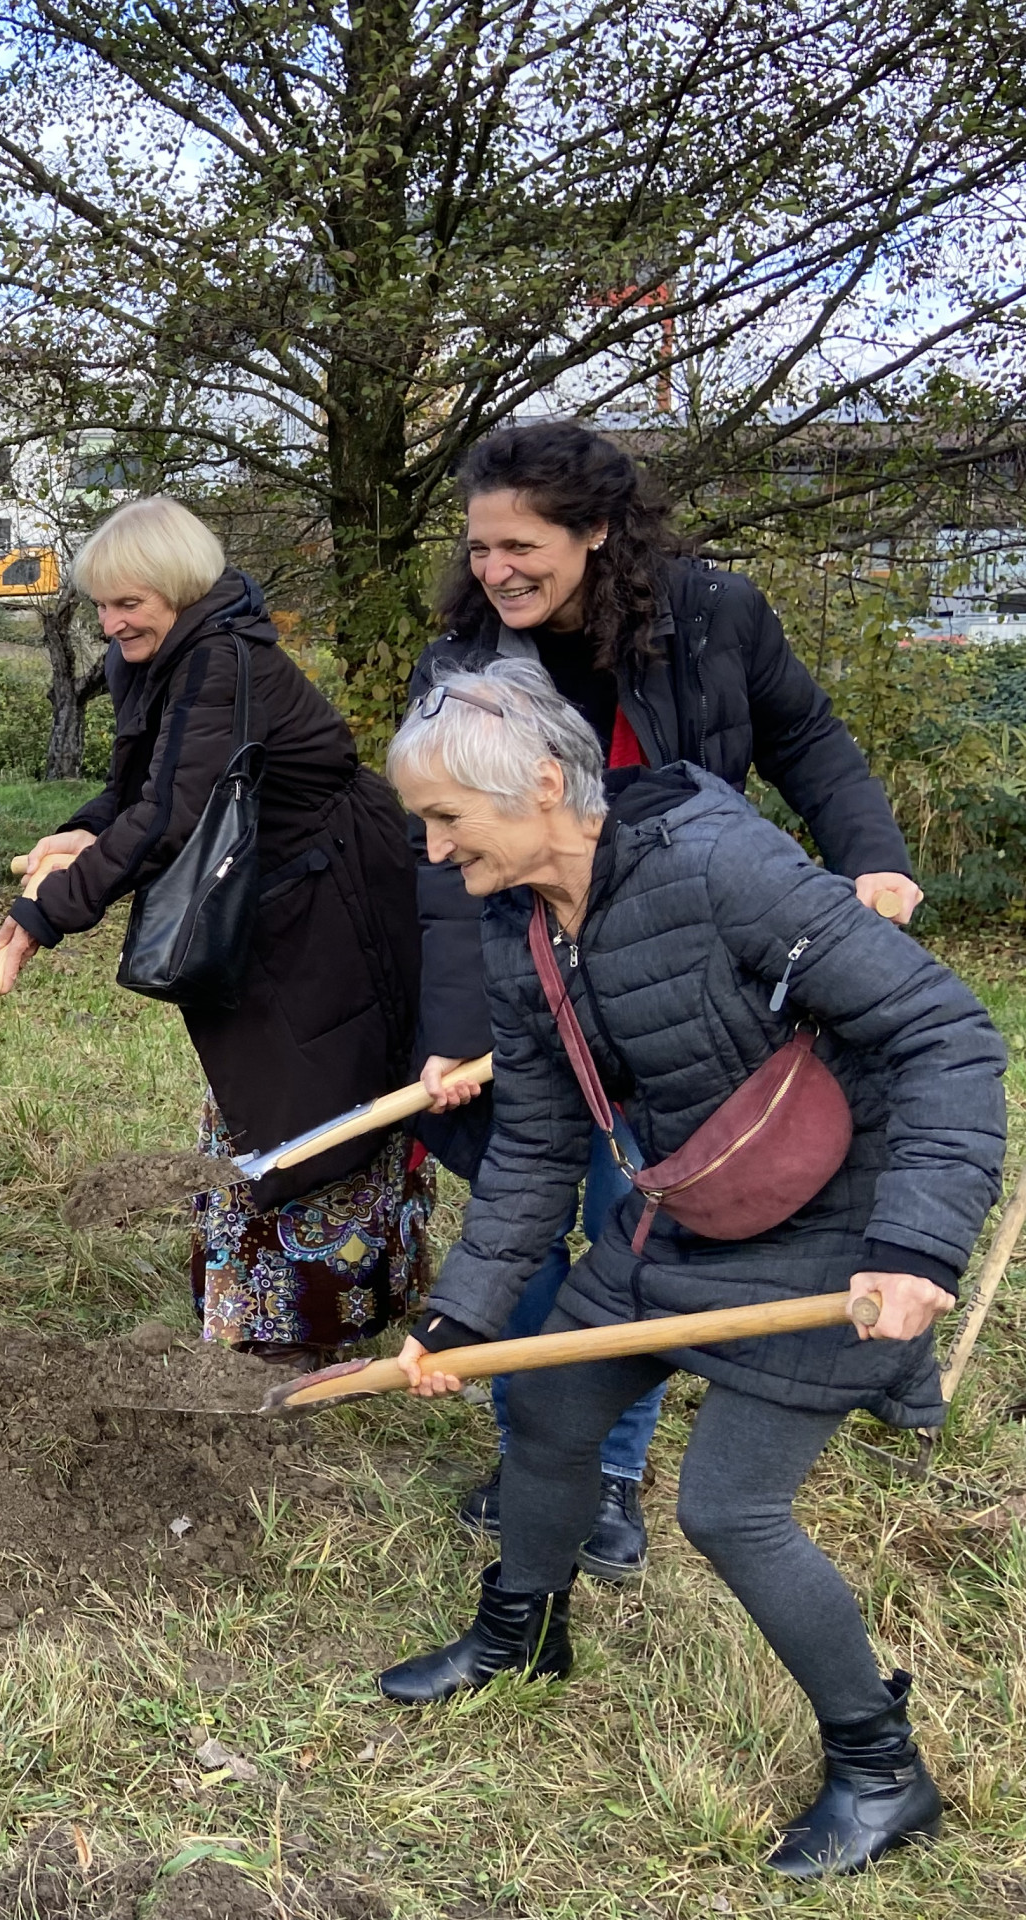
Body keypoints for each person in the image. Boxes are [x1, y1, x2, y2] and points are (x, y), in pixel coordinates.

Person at [378, 661, 1000, 1879]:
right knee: (548, 1407)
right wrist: (461, 1317)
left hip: (836, 1225)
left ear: (542, 784)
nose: (436, 851)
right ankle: (523, 1634)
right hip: (686, 1208)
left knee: (727, 1508)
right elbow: (537, 1145)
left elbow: (945, 1033)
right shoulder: (521, 927)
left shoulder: (720, 865)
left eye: (447, 818)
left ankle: (882, 1772)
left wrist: (917, 1246)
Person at [409, 421, 921, 1578]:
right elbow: (437, 864)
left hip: (677, 966)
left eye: (521, 546)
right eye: (479, 548)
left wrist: (872, 858)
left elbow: (806, 739)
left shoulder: (712, 615)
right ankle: (538, 1448)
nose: (495, 571)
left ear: (595, 530)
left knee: (639, 1217)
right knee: (520, 1203)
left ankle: (608, 1474)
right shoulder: (460, 662)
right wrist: (455, 1029)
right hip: (532, 971)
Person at [0, 497, 429, 1361]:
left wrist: (46, 917)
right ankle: (262, 1317)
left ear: (182, 591)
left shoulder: (220, 660)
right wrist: (82, 831)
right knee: (264, 1097)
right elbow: (141, 788)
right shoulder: (161, 657)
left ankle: (303, 1329)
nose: (111, 624)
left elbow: (174, 815)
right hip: (271, 890)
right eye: (101, 606)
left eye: (129, 603)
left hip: (336, 899)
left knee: (316, 1099)